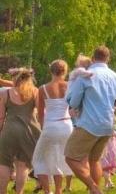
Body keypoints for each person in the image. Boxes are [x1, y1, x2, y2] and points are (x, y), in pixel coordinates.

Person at [64, 46, 116, 194]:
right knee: (94, 160)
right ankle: (95, 190)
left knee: (70, 158)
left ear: (93, 58)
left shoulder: (86, 75)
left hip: (88, 124)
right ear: (108, 59)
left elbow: (73, 103)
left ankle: (94, 188)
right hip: (108, 126)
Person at [32, 60, 74, 194]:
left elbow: (40, 113)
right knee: (60, 157)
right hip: (67, 125)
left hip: (51, 125)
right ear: (65, 71)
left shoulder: (43, 88)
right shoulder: (70, 86)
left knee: (38, 159)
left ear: (51, 71)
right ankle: (58, 190)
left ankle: (47, 191)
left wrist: (44, 128)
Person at [0, 68, 41, 194]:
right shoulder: (35, 92)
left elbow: (1, 117)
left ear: (15, 78)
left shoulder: (5, 94)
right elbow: (41, 112)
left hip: (9, 131)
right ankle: (19, 192)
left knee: (4, 163)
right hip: (29, 132)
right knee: (23, 166)